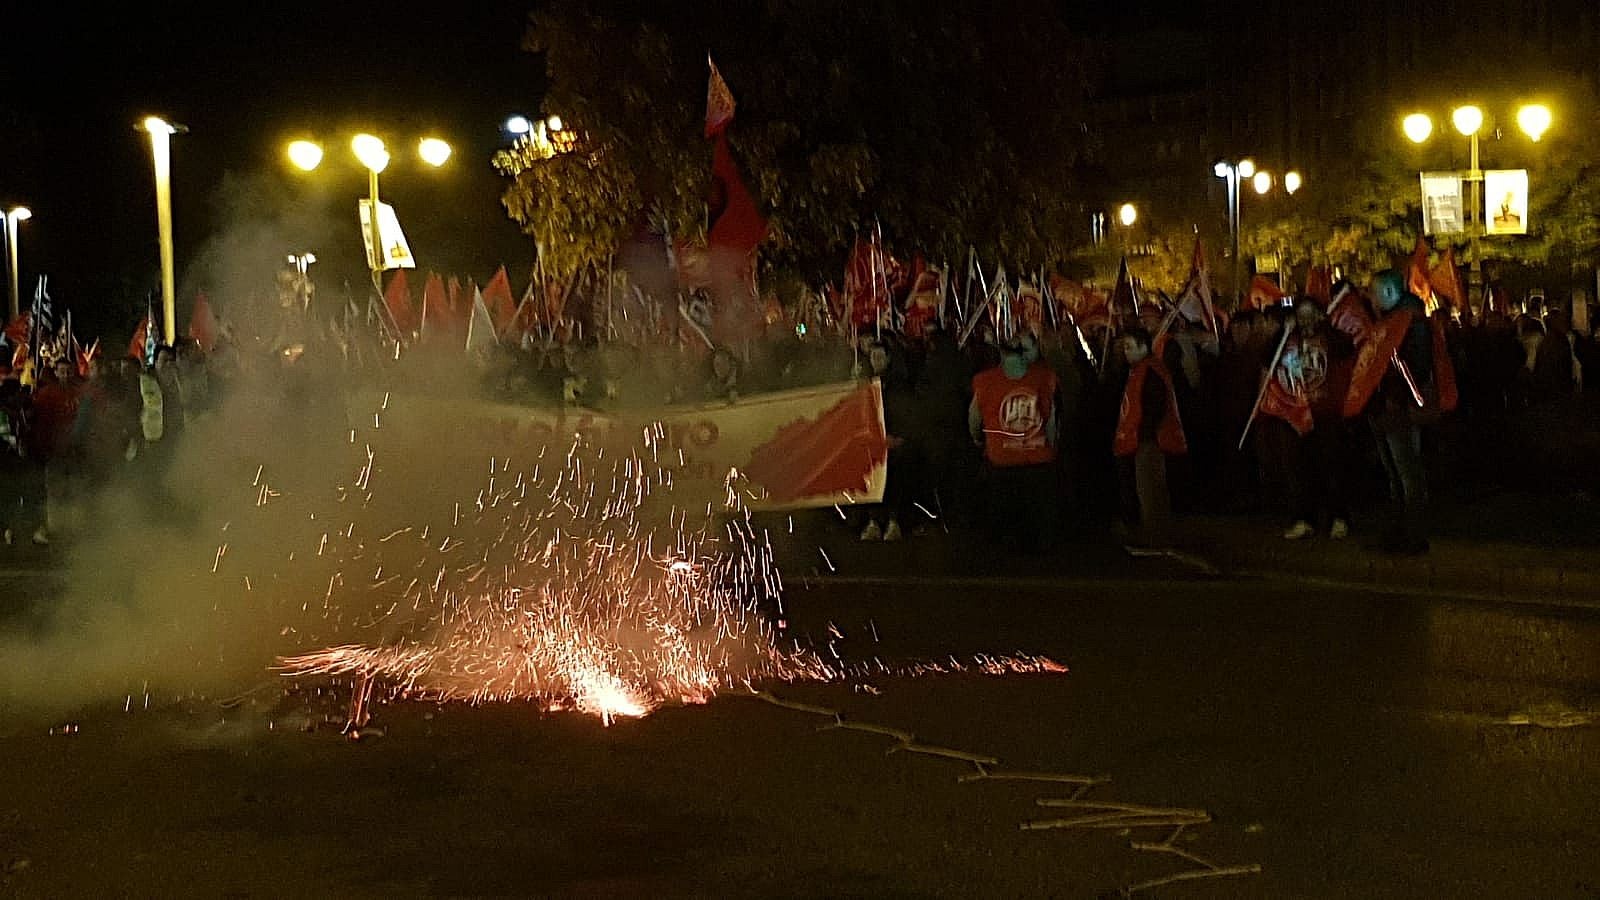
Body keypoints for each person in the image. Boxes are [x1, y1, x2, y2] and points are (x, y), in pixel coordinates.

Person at [1364, 269, 1433, 555]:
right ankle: (1399, 530)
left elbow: (1413, 367)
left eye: (1374, 291)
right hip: (1386, 407)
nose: (1370, 298)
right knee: (1396, 473)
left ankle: (1413, 535)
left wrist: (1394, 395)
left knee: (1407, 473)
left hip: (1400, 409)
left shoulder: (1410, 324)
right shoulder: (1392, 322)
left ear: (1389, 294)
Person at [968, 334, 1059, 551]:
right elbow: (1051, 419)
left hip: (1001, 457)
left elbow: (974, 417)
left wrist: (978, 439)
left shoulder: (984, 380)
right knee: (1036, 516)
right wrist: (1052, 445)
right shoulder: (1044, 378)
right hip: (1037, 457)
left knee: (1001, 513)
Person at [1112, 327, 1186, 545]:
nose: (1125, 352)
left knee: (1151, 491)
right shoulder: (1137, 370)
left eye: (1129, 347)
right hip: (1139, 439)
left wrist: (1145, 435)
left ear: (1143, 346)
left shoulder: (1151, 371)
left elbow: (1155, 407)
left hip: (1150, 441)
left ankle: (1156, 536)